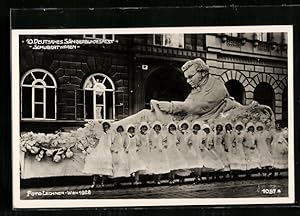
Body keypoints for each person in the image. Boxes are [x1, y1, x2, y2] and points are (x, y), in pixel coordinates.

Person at [82, 121, 113, 189]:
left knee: (105, 167)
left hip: (107, 151)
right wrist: (92, 148)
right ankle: (94, 183)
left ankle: (103, 183)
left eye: (107, 127)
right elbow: (96, 142)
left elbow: (111, 143)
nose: (106, 128)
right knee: (96, 166)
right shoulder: (100, 134)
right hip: (99, 150)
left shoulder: (110, 134)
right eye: (105, 127)